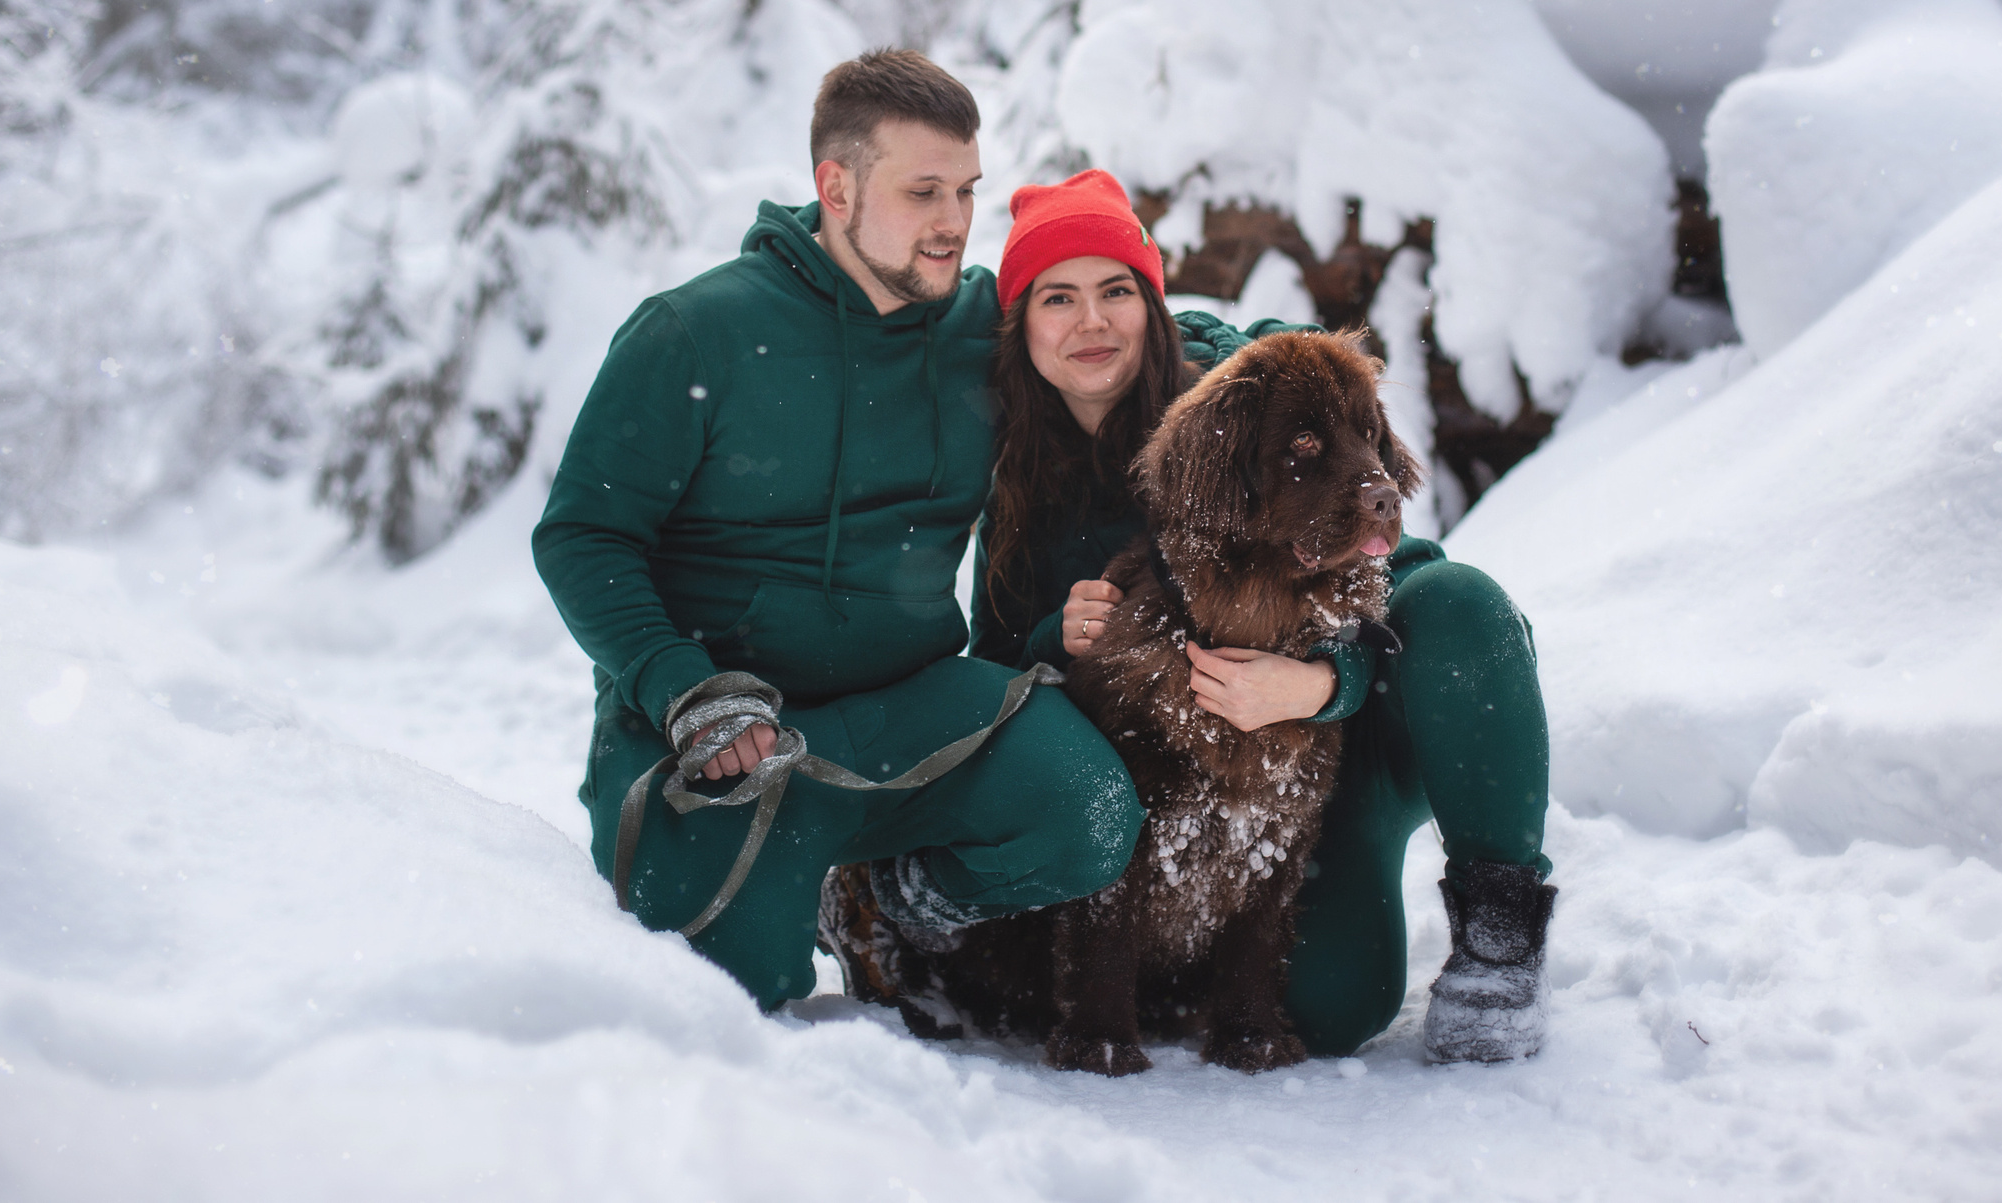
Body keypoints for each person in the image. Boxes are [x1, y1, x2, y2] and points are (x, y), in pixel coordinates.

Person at [533, 52, 1144, 1009]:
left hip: (908, 712)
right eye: (924, 191)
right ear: (838, 187)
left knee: (1087, 811)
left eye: (967, 190)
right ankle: (774, 889)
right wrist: (683, 685)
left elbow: (1114, 337)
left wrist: (1261, 364)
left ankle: (884, 900)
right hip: (722, 731)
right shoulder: (694, 333)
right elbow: (581, 534)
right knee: (728, 991)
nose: (954, 221)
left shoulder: (979, 327)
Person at [963, 168, 1556, 1063]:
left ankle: (1502, 941)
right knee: (1331, 1009)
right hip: (1192, 786)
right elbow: (996, 663)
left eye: (1116, 290)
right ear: (1023, 323)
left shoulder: (1246, 389)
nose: (1092, 322)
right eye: (1058, 297)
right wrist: (1058, 636)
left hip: (1330, 747)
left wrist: (1322, 683)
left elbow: (1404, 571)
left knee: (1462, 601)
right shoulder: (1015, 474)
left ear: (1152, 301)